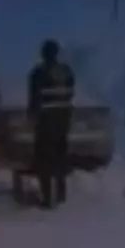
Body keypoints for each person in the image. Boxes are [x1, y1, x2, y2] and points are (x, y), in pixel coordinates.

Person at [27, 38, 75, 208]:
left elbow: (34, 99)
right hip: (63, 120)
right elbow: (70, 94)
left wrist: (32, 118)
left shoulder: (39, 73)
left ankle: (47, 198)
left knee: (44, 160)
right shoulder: (67, 71)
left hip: (46, 122)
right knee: (60, 157)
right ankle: (61, 193)